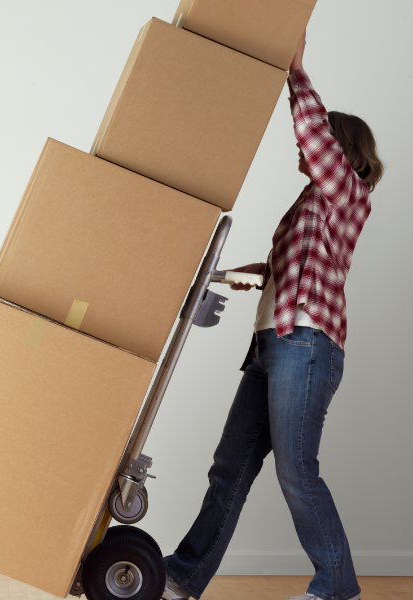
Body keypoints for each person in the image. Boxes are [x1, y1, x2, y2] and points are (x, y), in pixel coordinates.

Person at [160, 31, 384, 600]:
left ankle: (336, 586)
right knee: (229, 467)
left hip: (306, 345)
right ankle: (185, 576)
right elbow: (283, 266)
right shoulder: (308, 206)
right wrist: (227, 273)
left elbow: (312, 130)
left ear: (338, 149)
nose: (303, 149)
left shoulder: (346, 193)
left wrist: (295, 70)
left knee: (295, 471)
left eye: (318, 143)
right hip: (271, 346)